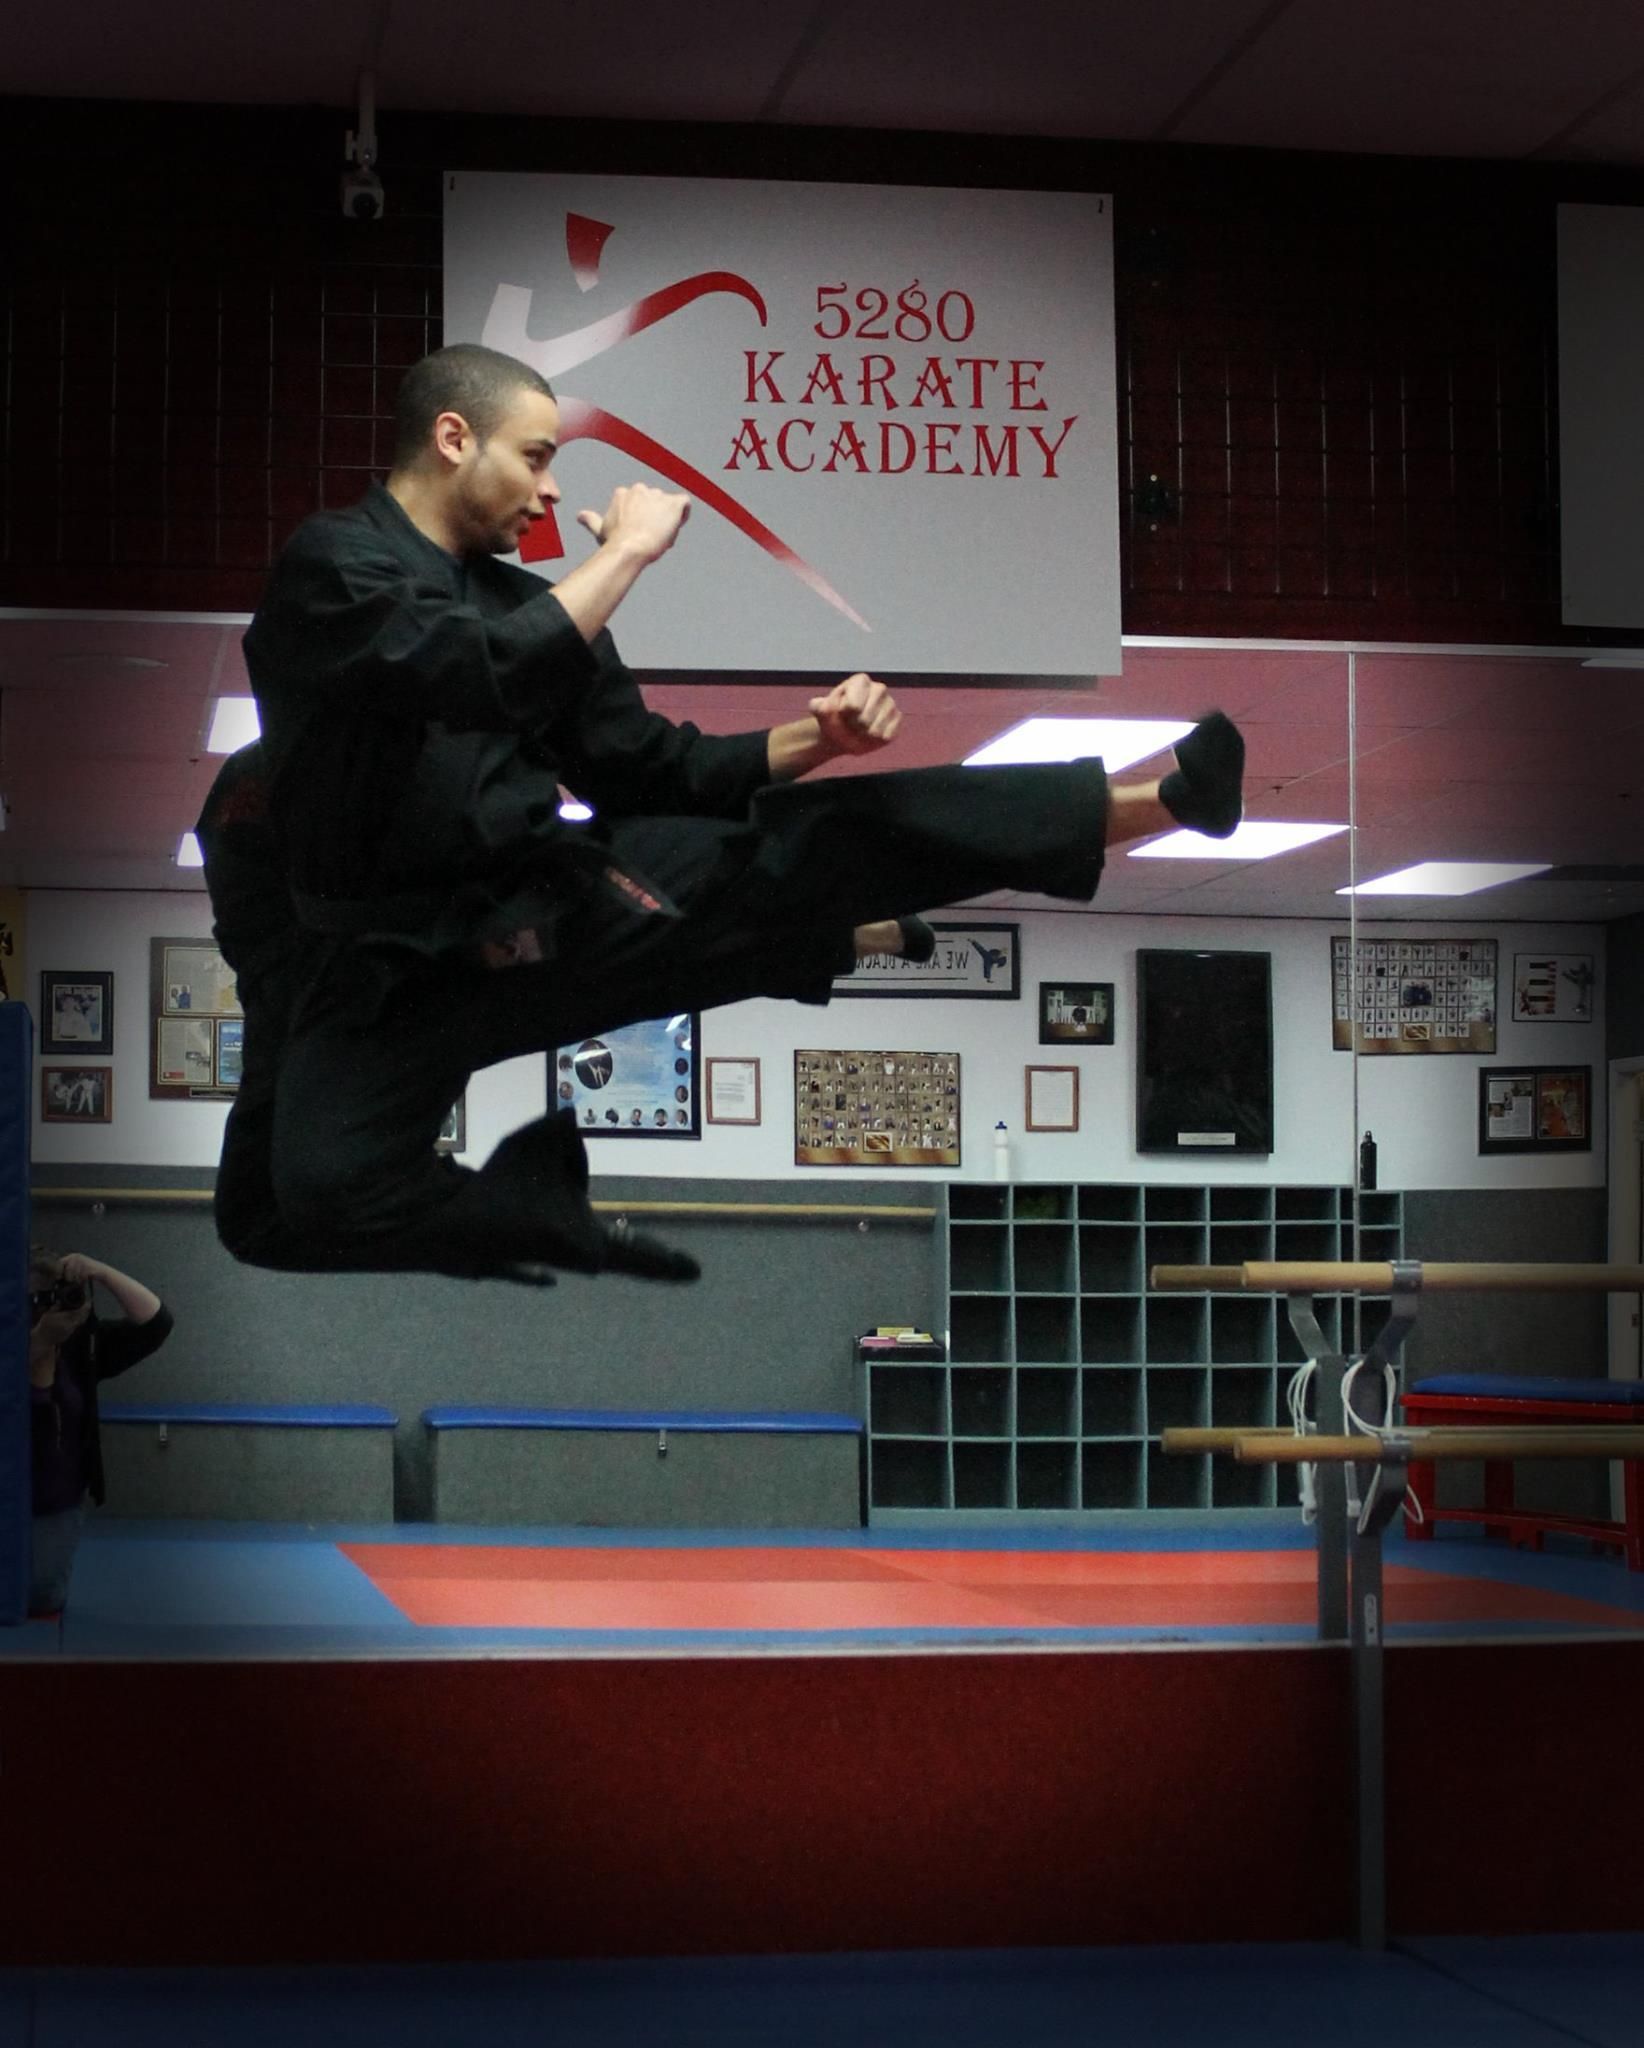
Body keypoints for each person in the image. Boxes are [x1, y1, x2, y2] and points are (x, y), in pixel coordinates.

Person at [201, 342, 1245, 1290]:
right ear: (452, 437)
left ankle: (1159, 799)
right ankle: (528, 1208)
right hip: (376, 981)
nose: (550, 487)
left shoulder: (525, 605)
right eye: (532, 456)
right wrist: (627, 555)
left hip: (531, 918)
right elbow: (472, 675)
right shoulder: (333, 569)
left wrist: (814, 739)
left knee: (789, 850)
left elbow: (652, 770)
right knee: (283, 1205)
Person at [28, 1248, 174, 1616]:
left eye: (56, 1296)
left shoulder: (82, 1346)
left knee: (42, 1597)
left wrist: (102, 1273)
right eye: (38, 1299)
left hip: (55, 1497)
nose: (49, 1306)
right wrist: (39, 1342)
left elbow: (156, 1323)